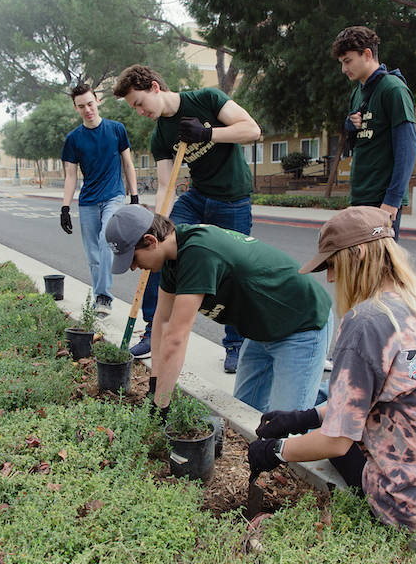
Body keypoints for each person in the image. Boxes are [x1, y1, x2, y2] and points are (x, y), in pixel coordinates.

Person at [247, 206, 416, 536]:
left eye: (333, 265)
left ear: (358, 254)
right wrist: (304, 418)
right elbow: (382, 395)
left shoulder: (368, 322)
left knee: (347, 445)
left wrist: (276, 451)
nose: (331, 278)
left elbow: (336, 441)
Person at [106, 204, 333, 415]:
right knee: (245, 412)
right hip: (262, 328)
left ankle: (338, 396)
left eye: (133, 258)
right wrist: (155, 387)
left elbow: (176, 338)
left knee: (290, 428)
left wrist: (160, 407)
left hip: (300, 322)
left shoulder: (197, 253)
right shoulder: (172, 257)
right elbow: (162, 321)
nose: (134, 267)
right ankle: (309, 391)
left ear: (151, 241)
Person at [113, 65, 261, 373]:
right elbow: (166, 185)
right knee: (157, 251)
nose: (139, 111)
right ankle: (155, 328)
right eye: (134, 108)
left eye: (139, 103)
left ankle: (235, 345)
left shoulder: (207, 98)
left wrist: (206, 133)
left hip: (233, 200)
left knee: (235, 273)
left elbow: (251, 130)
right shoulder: (161, 136)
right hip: (195, 199)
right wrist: (154, 224)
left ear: (155, 87)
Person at [331, 26, 416, 239]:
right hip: (361, 194)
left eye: (348, 61)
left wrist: (392, 201)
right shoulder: (357, 94)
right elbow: (358, 143)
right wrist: (350, 126)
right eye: (342, 62)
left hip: (382, 199)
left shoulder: (393, 89)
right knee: (362, 268)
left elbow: (408, 149)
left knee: (381, 269)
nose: (344, 69)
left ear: (367, 54)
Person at [60, 84, 139, 317]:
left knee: (106, 242)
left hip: (114, 196)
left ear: (97, 101)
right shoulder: (73, 139)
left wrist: (134, 196)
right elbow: (71, 176)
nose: (87, 109)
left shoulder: (116, 129)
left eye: (90, 103)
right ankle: (99, 297)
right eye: (81, 106)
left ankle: (104, 296)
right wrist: (65, 207)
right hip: (87, 201)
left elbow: (128, 164)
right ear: (76, 108)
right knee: (92, 253)